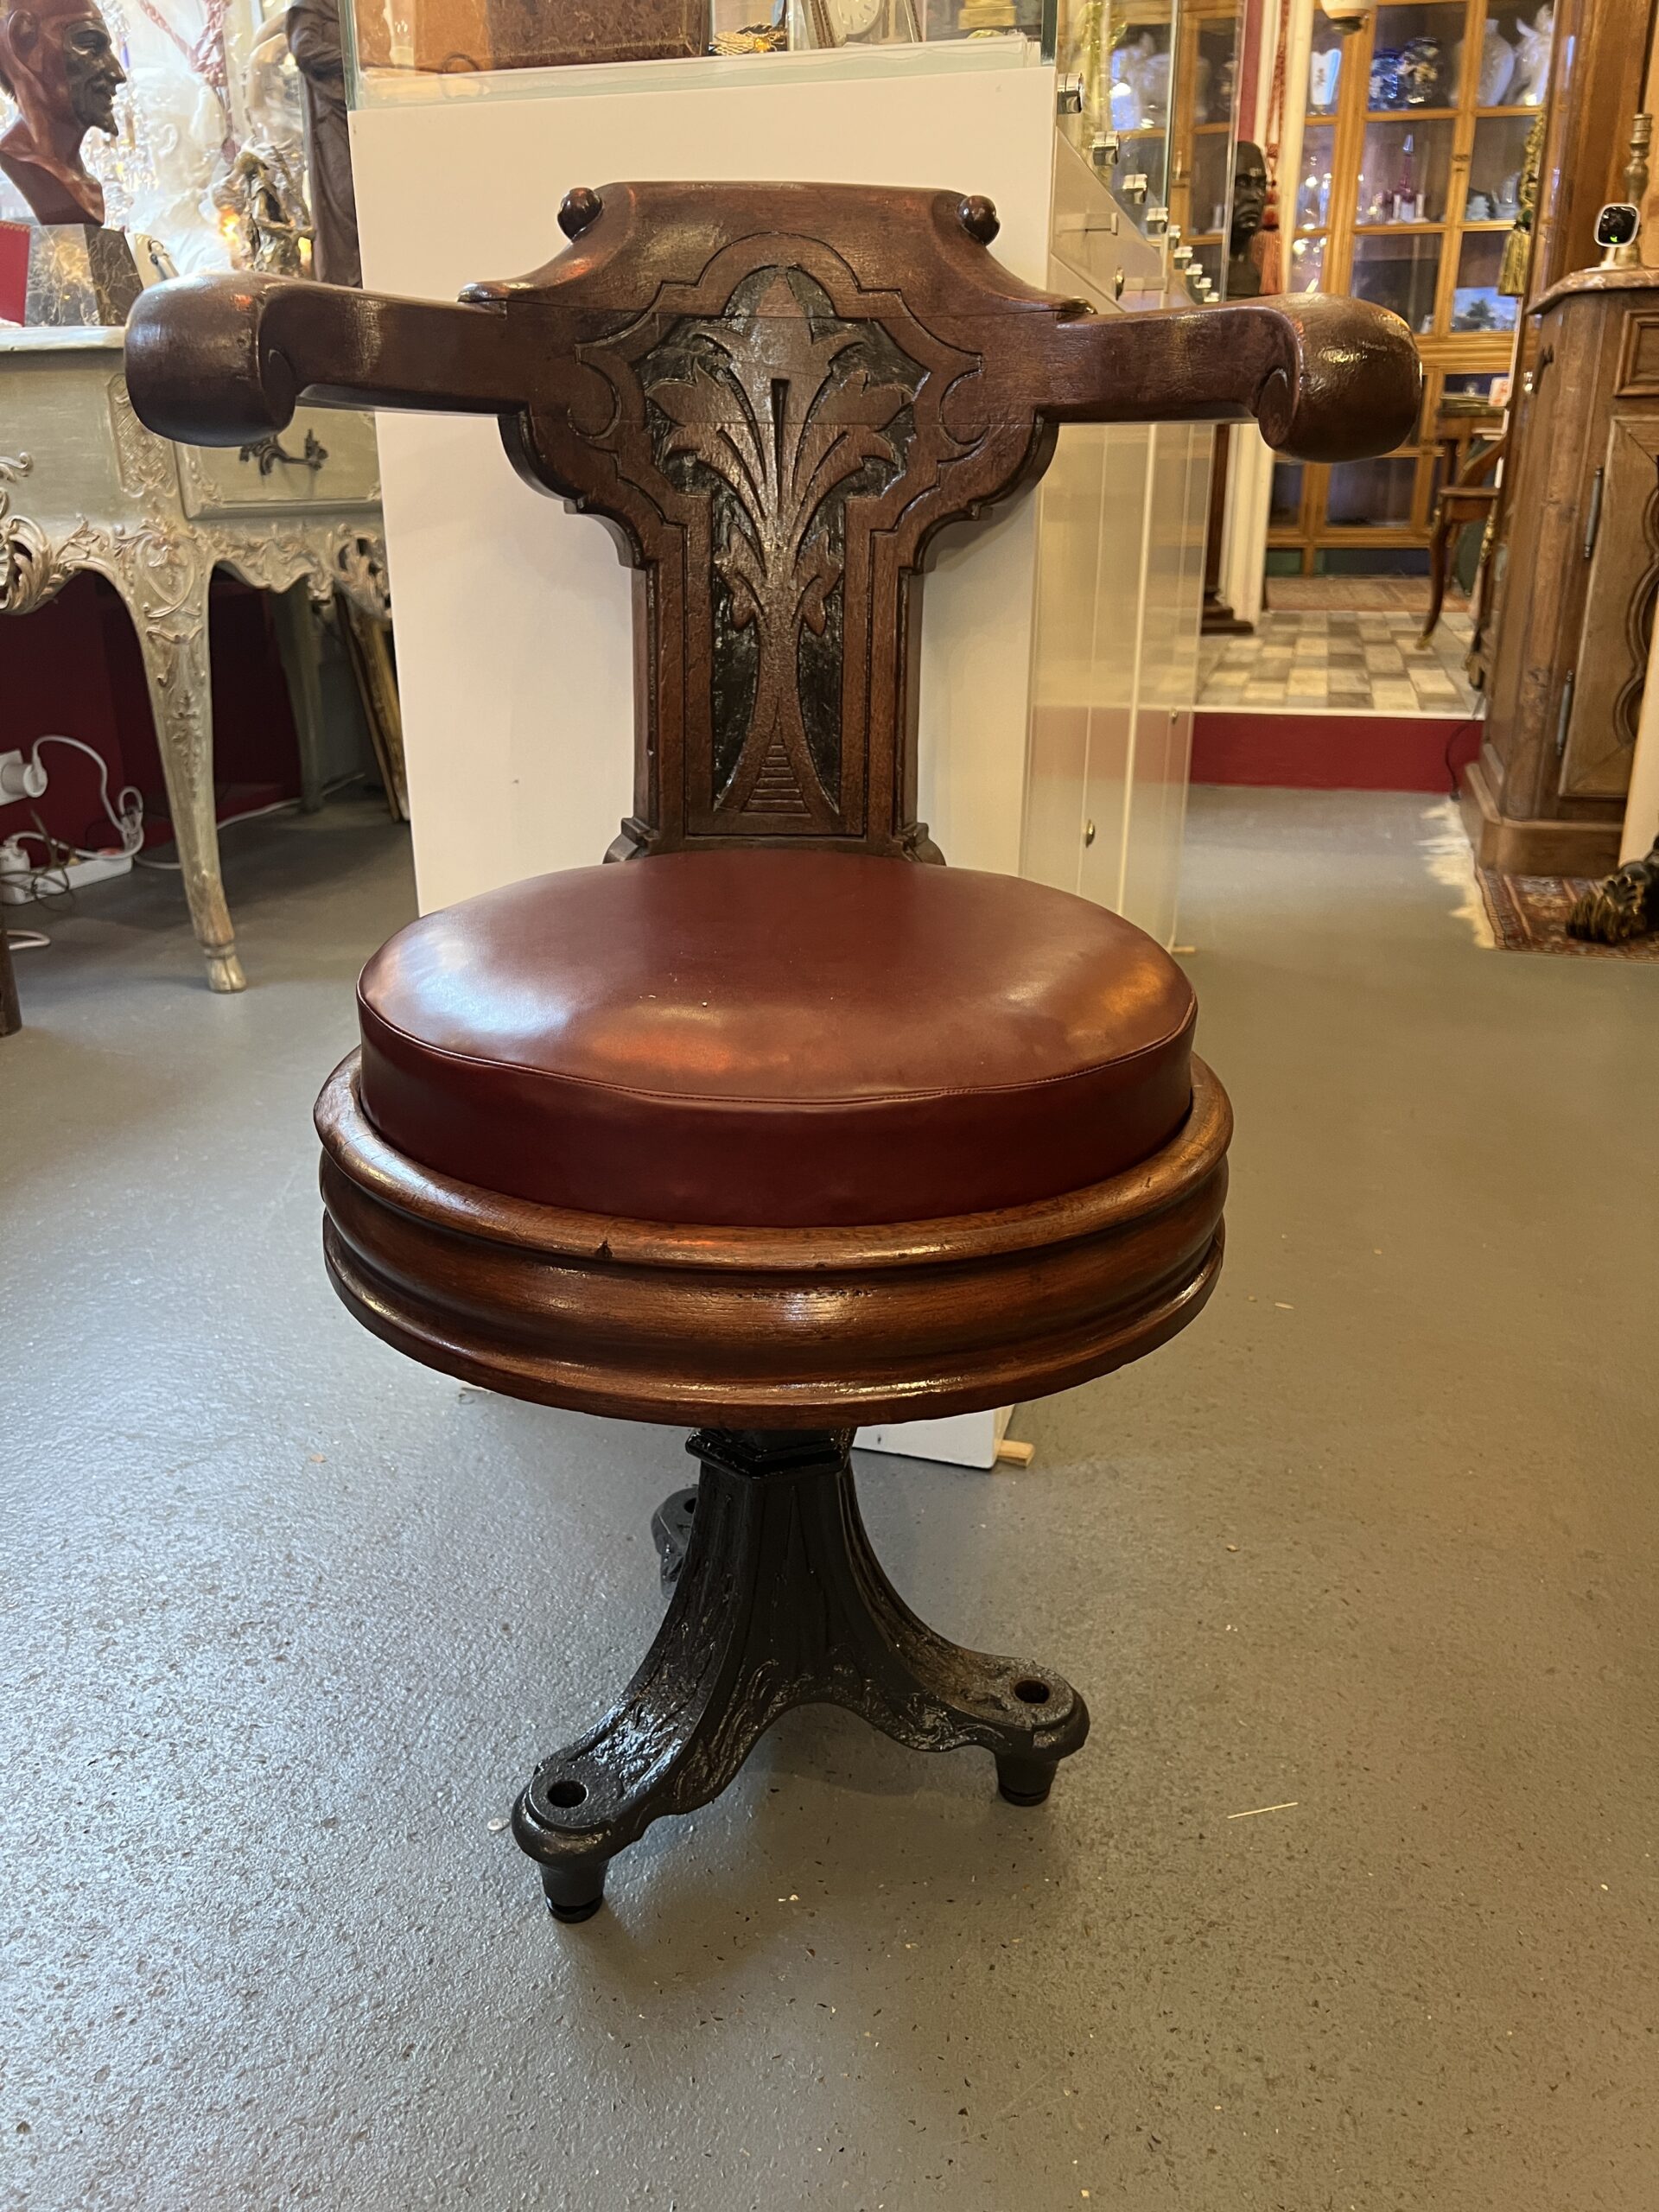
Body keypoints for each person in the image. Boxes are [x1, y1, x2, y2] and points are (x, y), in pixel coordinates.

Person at [0, 0, 125, 226]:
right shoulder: (15, 169)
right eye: (90, 45)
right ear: (23, 41)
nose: (117, 73)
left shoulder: (88, 187)